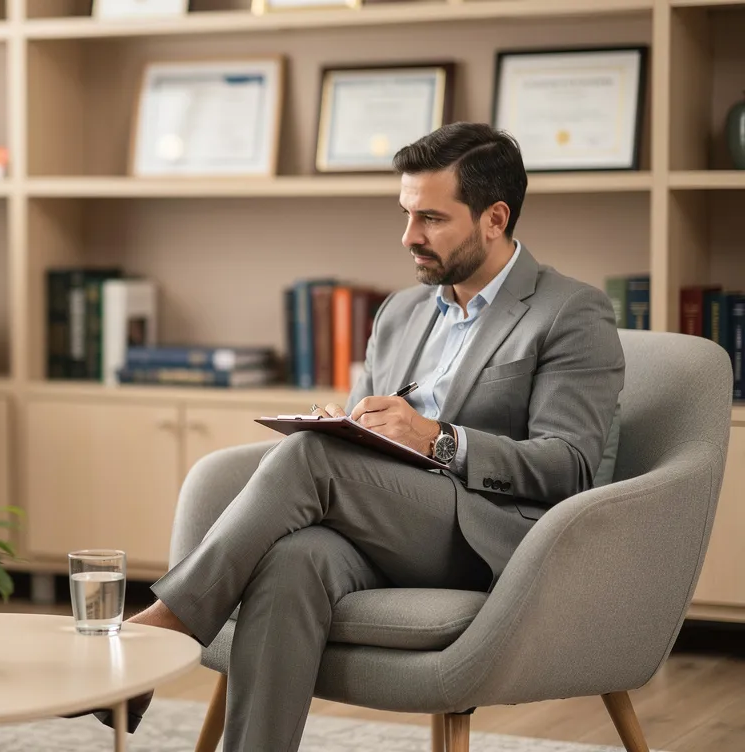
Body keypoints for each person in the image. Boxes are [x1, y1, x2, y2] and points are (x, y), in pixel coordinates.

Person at [119, 123, 625, 749]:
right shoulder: (402, 311)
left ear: (495, 218)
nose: (409, 237)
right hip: (385, 520)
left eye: (432, 219)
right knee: (291, 559)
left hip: (487, 536)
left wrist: (439, 439)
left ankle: (164, 627)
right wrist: (354, 428)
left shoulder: (571, 313)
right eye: (407, 214)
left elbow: (569, 465)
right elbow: (368, 434)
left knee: (310, 456)